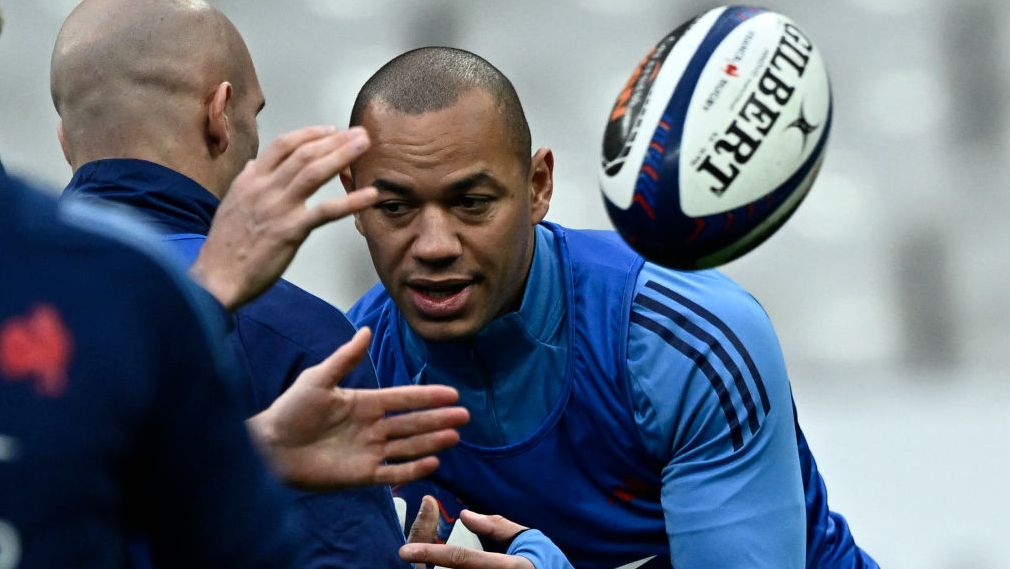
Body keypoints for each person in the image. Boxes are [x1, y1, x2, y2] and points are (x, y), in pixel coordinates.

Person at [344, 47, 880, 569]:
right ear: (354, 201)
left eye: (472, 203)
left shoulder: (689, 341)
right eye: (395, 207)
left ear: (538, 186)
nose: (434, 245)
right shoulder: (346, 376)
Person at [49, 1, 468, 566]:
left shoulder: (21, 289)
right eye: (255, 115)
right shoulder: (295, 337)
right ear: (219, 115)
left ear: (64, 136)